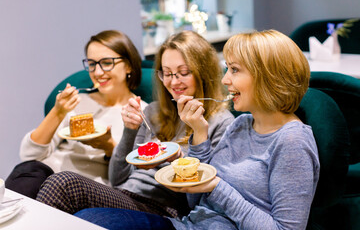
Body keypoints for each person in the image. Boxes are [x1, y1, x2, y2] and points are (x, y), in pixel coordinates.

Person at [74, 29, 320, 230]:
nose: (225, 80)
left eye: (234, 70)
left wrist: (215, 186)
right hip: (187, 224)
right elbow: (195, 201)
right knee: (83, 218)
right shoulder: (241, 124)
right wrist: (199, 138)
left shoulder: (292, 140)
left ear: (268, 76)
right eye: (227, 70)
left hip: (183, 221)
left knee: (87, 216)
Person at [35, 30, 234, 218]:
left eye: (183, 72)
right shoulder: (153, 112)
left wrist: (186, 149)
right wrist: (129, 131)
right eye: (167, 73)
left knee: (63, 183)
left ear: (203, 72)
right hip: (125, 195)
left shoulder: (220, 122)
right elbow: (118, 180)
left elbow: (200, 201)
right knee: (40, 177)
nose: (173, 82)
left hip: (164, 207)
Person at [5, 30, 145, 198]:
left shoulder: (139, 112)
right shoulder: (78, 101)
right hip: (43, 172)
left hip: (84, 188)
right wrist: (57, 112)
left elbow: (135, 176)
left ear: (129, 65)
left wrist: (108, 146)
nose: (98, 72)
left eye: (107, 63)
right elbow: (29, 156)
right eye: (92, 64)